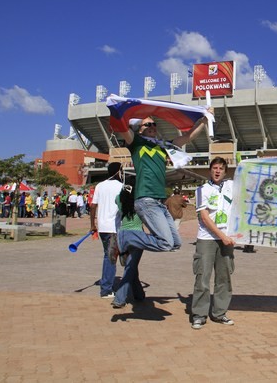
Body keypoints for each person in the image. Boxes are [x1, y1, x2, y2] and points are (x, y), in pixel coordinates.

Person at [119, 113, 211, 251]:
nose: (152, 126)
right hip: (146, 198)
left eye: (154, 124)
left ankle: (130, 240)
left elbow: (188, 137)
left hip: (160, 201)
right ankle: (126, 237)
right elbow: (122, 128)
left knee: (175, 243)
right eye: (147, 124)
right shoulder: (136, 142)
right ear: (139, 129)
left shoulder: (164, 146)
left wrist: (205, 120)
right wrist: (120, 112)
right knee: (166, 243)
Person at [191, 157, 236, 330]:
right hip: (207, 239)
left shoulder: (232, 186)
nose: (217, 171)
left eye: (221, 168)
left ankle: (219, 313)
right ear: (210, 170)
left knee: (224, 277)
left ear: (225, 171)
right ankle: (199, 315)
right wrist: (221, 236)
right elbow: (204, 217)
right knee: (202, 277)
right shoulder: (202, 190)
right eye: (215, 168)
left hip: (227, 239)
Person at [112, 176, 146, 309]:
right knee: (130, 267)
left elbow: (117, 199)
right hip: (137, 235)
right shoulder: (140, 201)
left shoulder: (120, 199)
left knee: (131, 265)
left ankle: (139, 294)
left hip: (123, 235)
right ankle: (120, 298)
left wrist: (124, 191)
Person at [90, 162, 123, 299]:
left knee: (108, 256)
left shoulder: (100, 186)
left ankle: (108, 285)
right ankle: (106, 289)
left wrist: (93, 224)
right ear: (118, 172)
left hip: (103, 227)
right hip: (114, 227)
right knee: (111, 258)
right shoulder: (121, 186)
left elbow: (93, 206)